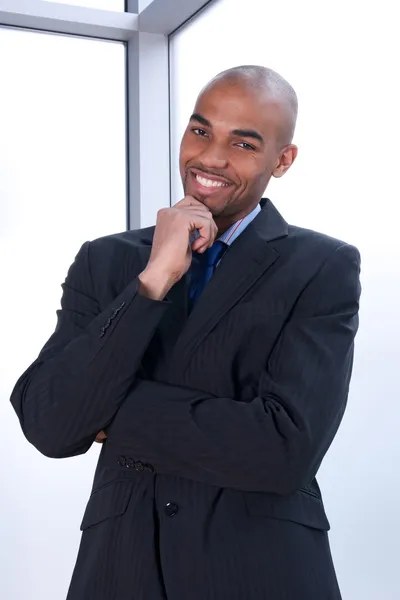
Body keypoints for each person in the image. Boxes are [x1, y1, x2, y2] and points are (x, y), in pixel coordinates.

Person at [10, 65, 361, 600]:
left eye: (243, 143)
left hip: (260, 571)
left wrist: (109, 408)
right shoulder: (106, 261)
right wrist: (153, 281)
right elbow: (51, 425)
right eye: (201, 131)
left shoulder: (320, 266)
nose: (211, 158)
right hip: (120, 569)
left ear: (282, 160)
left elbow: (284, 449)